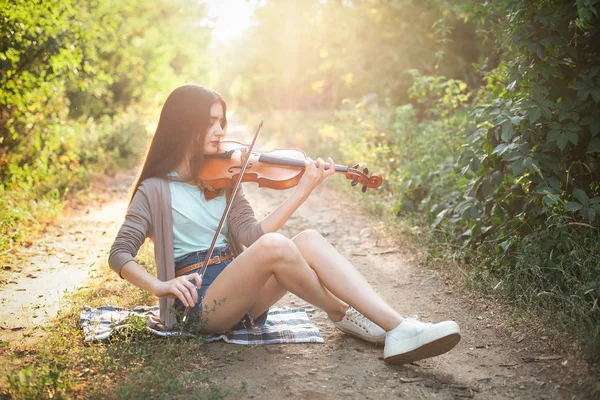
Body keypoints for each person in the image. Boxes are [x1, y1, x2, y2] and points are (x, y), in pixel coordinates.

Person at [108, 84, 461, 365]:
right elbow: (120, 253)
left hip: (240, 288)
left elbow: (252, 236)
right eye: (211, 122)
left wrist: (303, 189)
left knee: (306, 239)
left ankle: (398, 326)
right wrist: (160, 285)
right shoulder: (154, 189)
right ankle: (347, 314)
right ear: (185, 124)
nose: (220, 130)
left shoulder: (221, 178)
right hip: (201, 304)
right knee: (275, 247)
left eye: (222, 122)